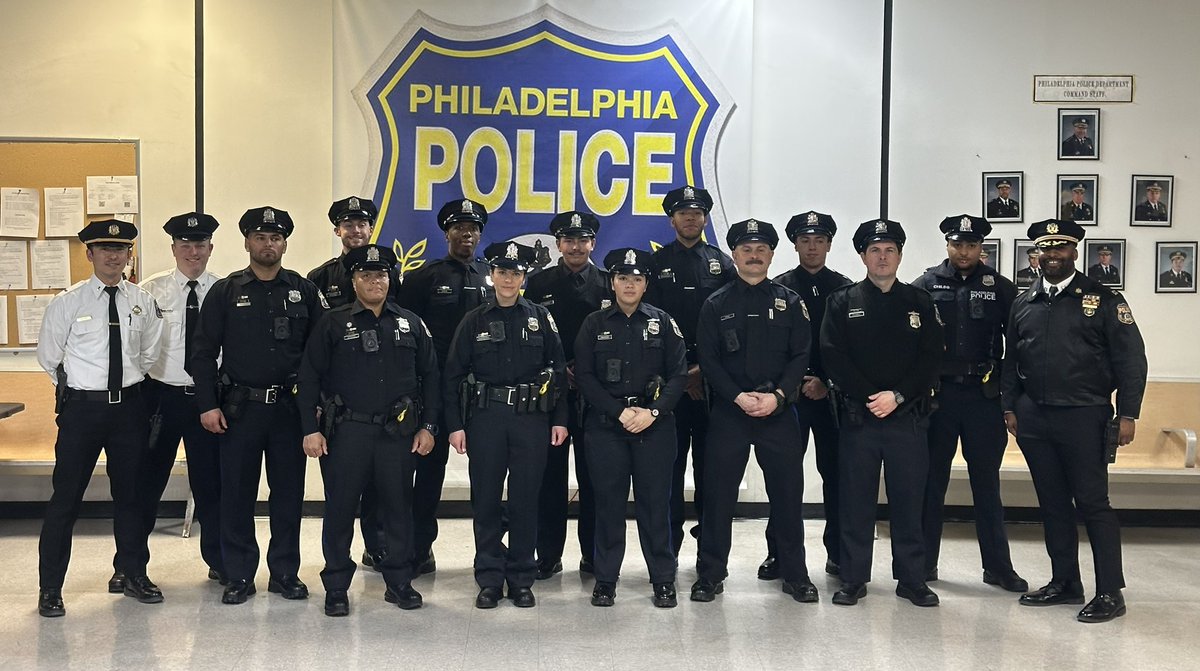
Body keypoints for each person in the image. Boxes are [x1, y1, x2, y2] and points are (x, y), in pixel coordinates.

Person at [1002, 218, 1147, 624]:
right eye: (1045, 249)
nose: (1052, 255)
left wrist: (1128, 413)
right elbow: (1011, 360)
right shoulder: (1024, 301)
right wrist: (1009, 406)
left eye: (1060, 248)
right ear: (1036, 255)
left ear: (1074, 252)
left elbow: (1132, 361)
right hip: (1035, 417)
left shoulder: (1103, 299)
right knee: (1052, 504)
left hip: (1085, 415)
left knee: (1093, 504)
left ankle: (1110, 591)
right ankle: (1065, 581)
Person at [192, 206, 326, 605]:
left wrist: (316, 408)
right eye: (261, 237)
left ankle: (285, 573)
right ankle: (238, 575)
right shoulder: (226, 291)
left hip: (289, 410)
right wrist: (207, 404)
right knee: (236, 495)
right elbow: (202, 353)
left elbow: (322, 355)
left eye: (276, 238)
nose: (269, 244)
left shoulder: (304, 291)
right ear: (247, 242)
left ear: (285, 244)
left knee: (288, 495)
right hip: (240, 410)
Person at [296, 244, 440, 616]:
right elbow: (309, 377)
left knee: (398, 509)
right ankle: (336, 587)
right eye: (366, 275)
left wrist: (428, 427)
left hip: (398, 435)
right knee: (340, 510)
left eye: (381, 275)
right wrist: (310, 429)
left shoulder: (410, 322)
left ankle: (399, 582)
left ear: (390, 280)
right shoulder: (332, 323)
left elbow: (431, 377)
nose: (375, 281)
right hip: (348, 433)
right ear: (353, 281)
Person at [35, 219, 164, 617]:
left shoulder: (141, 301)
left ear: (129, 255)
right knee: (66, 499)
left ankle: (133, 573)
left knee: (131, 497)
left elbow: (148, 353)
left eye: (121, 249)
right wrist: (82, 390)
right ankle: (50, 588)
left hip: (129, 410)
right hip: (82, 411)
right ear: (90, 254)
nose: (113, 256)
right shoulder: (68, 302)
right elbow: (49, 357)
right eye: (105, 249)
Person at [690, 219, 816, 604]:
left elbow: (800, 355)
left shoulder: (790, 302)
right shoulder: (716, 303)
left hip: (778, 412)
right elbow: (709, 360)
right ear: (734, 254)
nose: (754, 255)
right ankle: (710, 574)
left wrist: (777, 396)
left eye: (762, 249)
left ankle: (795, 574)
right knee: (718, 497)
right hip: (731, 413)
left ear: (772, 255)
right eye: (747, 249)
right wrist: (737, 397)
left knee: (787, 496)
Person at [821, 219, 943, 608]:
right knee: (856, 502)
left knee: (909, 501)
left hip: (907, 418)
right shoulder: (842, 301)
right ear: (863, 256)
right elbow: (833, 356)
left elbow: (930, 357)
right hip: (860, 418)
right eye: (874, 250)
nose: (883, 257)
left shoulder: (919, 301)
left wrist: (898, 395)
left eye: (890, 250)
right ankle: (853, 578)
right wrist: (870, 397)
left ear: (900, 256)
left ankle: (912, 579)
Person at [443, 241, 568, 609]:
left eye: (515, 273)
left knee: (525, 500)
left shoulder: (541, 318)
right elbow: (452, 375)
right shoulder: (474, 320)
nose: (508, 279)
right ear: (492, 276)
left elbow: (559, 372)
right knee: (485, 500)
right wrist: (455, 425)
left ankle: (521, 578)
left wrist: (560, 420)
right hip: (486, 419)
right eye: (502, 272)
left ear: (524, 277)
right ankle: (489, 578)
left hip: (531, 419)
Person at [913, 215, 1027, 593]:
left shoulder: (1001, 288)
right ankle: (924, 564)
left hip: (984, 397)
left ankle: (998, 568)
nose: (964, 252)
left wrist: (1010, 399)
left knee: (986, 485)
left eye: (971, 245)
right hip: (939, 397)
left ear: (981, 248)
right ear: (947, 245)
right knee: (932, 483)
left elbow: (1017, 347)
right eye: (957, 244)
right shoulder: (926, 285)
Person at [574, 247, 687, 608]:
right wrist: (618, 412)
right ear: (612, 282)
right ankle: (606, 580)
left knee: (655, 505)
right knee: (608, 505)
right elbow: (585, 376)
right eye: (623, 278)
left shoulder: (663, 322)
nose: (629, 284)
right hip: (607, 426)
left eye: (637, 279)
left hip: (654, 427)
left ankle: (663, 579)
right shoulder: (594, 324)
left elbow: (679, 376)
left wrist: (652, 412)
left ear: (646, 284)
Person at [395, 198, 493, 575]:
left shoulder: (493, 276)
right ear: (446, 233)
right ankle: (419, 548)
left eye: (472, 228)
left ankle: (490, 553)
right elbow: (407, 335)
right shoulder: (424, 278)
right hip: (436, 389)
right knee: (428, 473)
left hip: (483, 391)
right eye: (458, 228)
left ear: (480, 235)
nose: (466, 234)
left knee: (489, 472)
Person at [134, 212, 224, 589]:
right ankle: (131, 566)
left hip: (209, 399)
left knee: (212, 486)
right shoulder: (149, 291)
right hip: (161, 398)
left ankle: (220, 561)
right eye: (185, 245)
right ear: (173, 248)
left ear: (210, 248)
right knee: (145, 484)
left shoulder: (224, 290)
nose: (193, 252)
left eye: (200, 244)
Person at [646, 185, 736, 561]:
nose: (690, 218)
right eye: (683, 213)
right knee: (667, 472)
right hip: (669, 386)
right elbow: (648, 327)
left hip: (711, 387)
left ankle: (708, 555)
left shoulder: (722, 264)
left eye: (696, 213)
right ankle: (666, 553)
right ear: (672, 220)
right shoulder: (654, 264)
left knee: (711, 472)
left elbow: (730, 326)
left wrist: (703, 371)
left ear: (704, 219)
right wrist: (682, 375)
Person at [307, 196, 395, 570]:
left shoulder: (389, 273)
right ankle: (337, 565)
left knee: (380, 486)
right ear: (337, 230)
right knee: (341, 491)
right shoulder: (319, 278)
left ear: (371, 228)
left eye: (362, 224)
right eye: (348, 224)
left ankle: (377, 547)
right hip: (337, 403)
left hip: (381, 397)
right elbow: (311, 347)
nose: (355, 230)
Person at [523, 210, 612, 579]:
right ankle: (548, 555)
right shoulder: (538, 284)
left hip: (597, 396)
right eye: (569, 240)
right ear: (558, 244)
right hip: (553, 396)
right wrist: (560, 371)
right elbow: (529, 338)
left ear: (593, 243)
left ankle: (593, 555)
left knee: (596, 479)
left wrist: (587, 373)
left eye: (583, 240)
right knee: (549, 480)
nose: (576, 247)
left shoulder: (608, 284)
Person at [765, 211, 852, 580]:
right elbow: (771, 348)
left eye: (819, 241)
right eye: (805, 241)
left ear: (829, 245)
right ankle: (778, 554)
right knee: (784, 478)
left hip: (832, 398)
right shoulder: (778, 288)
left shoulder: (845, 288)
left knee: (838, 477)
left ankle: (839, 554)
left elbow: (849, 348)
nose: (812, 247)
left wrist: (826, 382)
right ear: (795, 245)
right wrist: (793, 383)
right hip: (791, 397)